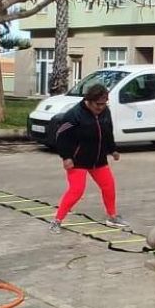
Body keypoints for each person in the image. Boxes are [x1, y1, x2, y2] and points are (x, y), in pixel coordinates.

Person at [50, 84, 130, 235]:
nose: (101, 107)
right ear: (89, 100)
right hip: (77, 160)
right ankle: (57, 220)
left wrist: (112, 149)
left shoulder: (105, 112)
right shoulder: (74, 114)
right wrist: (66, 157)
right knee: (76, 191)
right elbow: (61, 136)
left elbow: (107, 132)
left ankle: (112, 217)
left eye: (104, 103)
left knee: (109, 186)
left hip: (98, 158)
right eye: (98, 104)